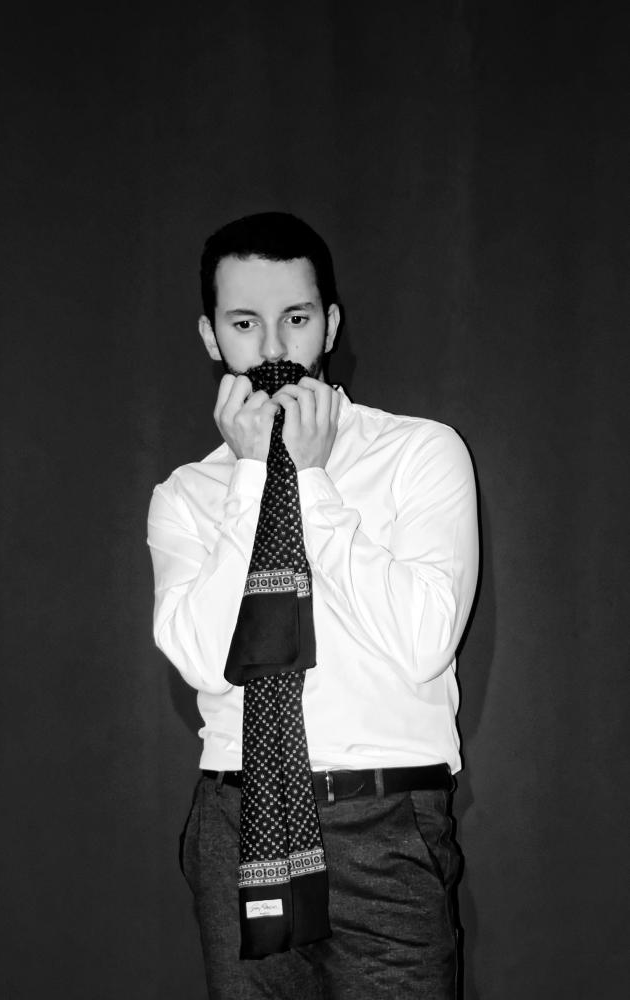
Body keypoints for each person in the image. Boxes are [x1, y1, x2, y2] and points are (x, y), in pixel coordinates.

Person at [147, 212, 479, 999]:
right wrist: (253, 481)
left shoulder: (419, 453)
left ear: (329, 325)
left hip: (385, 825)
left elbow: (425, 641)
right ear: (210, 336)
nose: (272, 349)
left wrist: (314, 484)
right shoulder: (188, 495)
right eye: (244, 323)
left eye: (294, 319)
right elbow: (204, 661)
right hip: (239, 821)